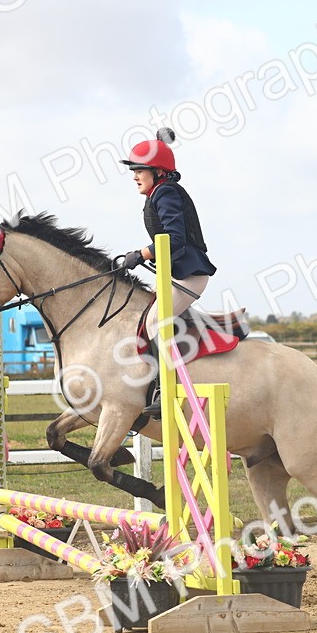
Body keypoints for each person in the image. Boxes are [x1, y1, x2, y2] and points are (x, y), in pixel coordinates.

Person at [119, 127, 217, 416]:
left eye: (140, 169)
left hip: (190, 274)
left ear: (158, 172)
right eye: (134, 170)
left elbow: (173, 239)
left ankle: (165, 389)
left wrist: (140, 254)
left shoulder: (166, 193)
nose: (135, 175)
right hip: (178, 274)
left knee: (154, 324)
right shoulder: (159, 193)